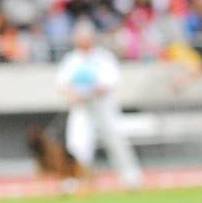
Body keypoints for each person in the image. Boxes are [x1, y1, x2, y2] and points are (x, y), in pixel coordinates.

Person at [55, 21, 142, 190]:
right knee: (78, 144)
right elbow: (62, 83)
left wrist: (92, 91)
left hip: (104, 107)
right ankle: (75, 179)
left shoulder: (103, 57)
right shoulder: (72, 59)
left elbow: (110, 81)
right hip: (82, 108)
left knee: (116, 141)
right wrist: (73, 94)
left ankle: (130, 176)